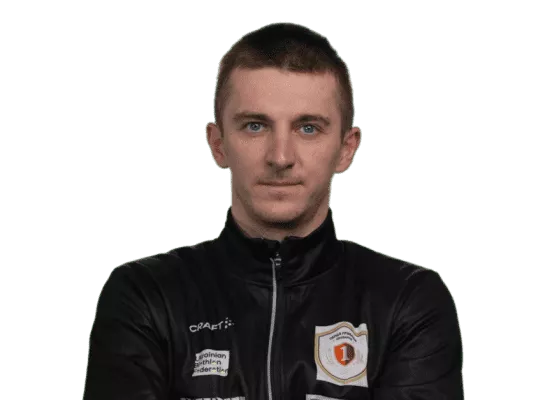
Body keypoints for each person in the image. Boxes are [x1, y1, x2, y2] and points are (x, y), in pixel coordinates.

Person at [82, 22, 464, 400]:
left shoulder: (408, 302)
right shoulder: (145, 297)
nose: (280, 157)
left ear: (346, 149)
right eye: (255, 126)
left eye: (308, 128)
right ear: (217, 143)